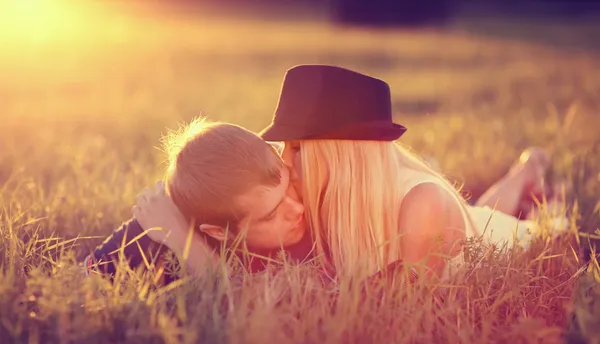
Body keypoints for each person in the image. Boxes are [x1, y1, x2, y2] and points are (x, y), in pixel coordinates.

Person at [259, 64, 568, 280]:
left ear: (342, 156)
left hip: (507, 243)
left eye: (297, 148)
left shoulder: (423, 201)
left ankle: (542, 188)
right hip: (472, 224)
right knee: (480, 214)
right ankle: (524, 171)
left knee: (547, 226)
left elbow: (407, 299)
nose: (284, 160)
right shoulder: (324, 196)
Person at [84, 118, 313, 282]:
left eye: (290, 187)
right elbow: (77, 285)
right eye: (272, 214)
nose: (299, 208)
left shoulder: (317, 213)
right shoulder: (156, 228)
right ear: (218, 231)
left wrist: (188, 244)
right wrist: (181, 239)